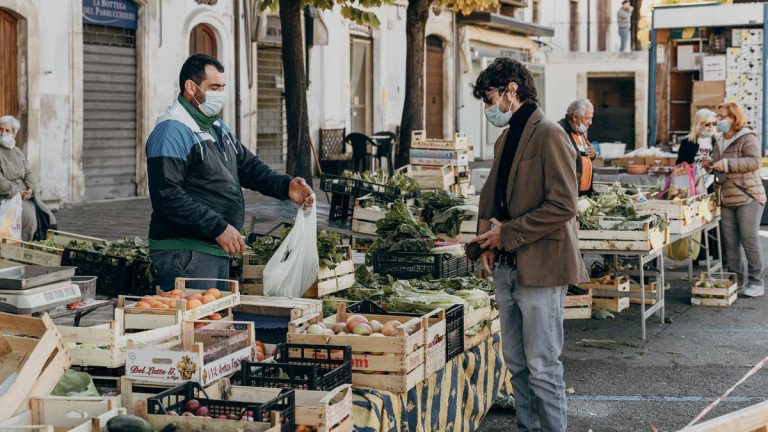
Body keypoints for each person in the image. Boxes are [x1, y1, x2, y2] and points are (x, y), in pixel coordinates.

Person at [467, 57, 589, 432]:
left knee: (543, 367)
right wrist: (487, 241)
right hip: (506, 267)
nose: (488, 109)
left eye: (490, 99)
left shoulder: (549, 133)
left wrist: (508, 233)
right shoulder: (507, 136)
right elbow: (495, 196)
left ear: (511, 91)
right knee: (517, 365)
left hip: (540, 267)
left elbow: (564, 205)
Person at [146, 54, 314, 291]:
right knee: (199, 324)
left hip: (213, 248)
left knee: (214, 324)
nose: (220, 94)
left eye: (223, 87)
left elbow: (247, 167)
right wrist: (218, 227)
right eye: (214, 87)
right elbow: (167, 196)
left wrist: (285, 186)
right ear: (191, 87)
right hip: (186, 252)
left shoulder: (215, 126)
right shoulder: (171, 131)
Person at [703, 102, 765, 297]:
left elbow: (755, 161)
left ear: (734, 118)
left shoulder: (747, 137)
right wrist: (710, 165)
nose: (718, 121)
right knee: (730, 241)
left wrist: (727, 164)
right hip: (726, 196)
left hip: (747, 196)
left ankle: (756, 282)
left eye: (722, 117)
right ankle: (734, 280)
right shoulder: (719, 139)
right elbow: (718, 165)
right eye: (717, 117)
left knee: (749, 238)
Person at [0, 115, 56, 241]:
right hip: (7, 195)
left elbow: (28, 173)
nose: (3, 133)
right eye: (0, 129)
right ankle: (24, 250)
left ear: (14, 133)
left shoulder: (17, 152)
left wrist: (31, 189)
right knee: (30, 219)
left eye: (7, 130)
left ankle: (42, 246)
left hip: (25, 193)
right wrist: (16, 192)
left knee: (48, 216)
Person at [557, 99, 597, 196]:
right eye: (587, 118)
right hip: (569, 194)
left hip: (584, 193)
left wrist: (593, 154)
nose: (590, 122)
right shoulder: (559, 131)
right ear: (575, 117)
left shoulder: (578, 130)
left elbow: (582, 153)